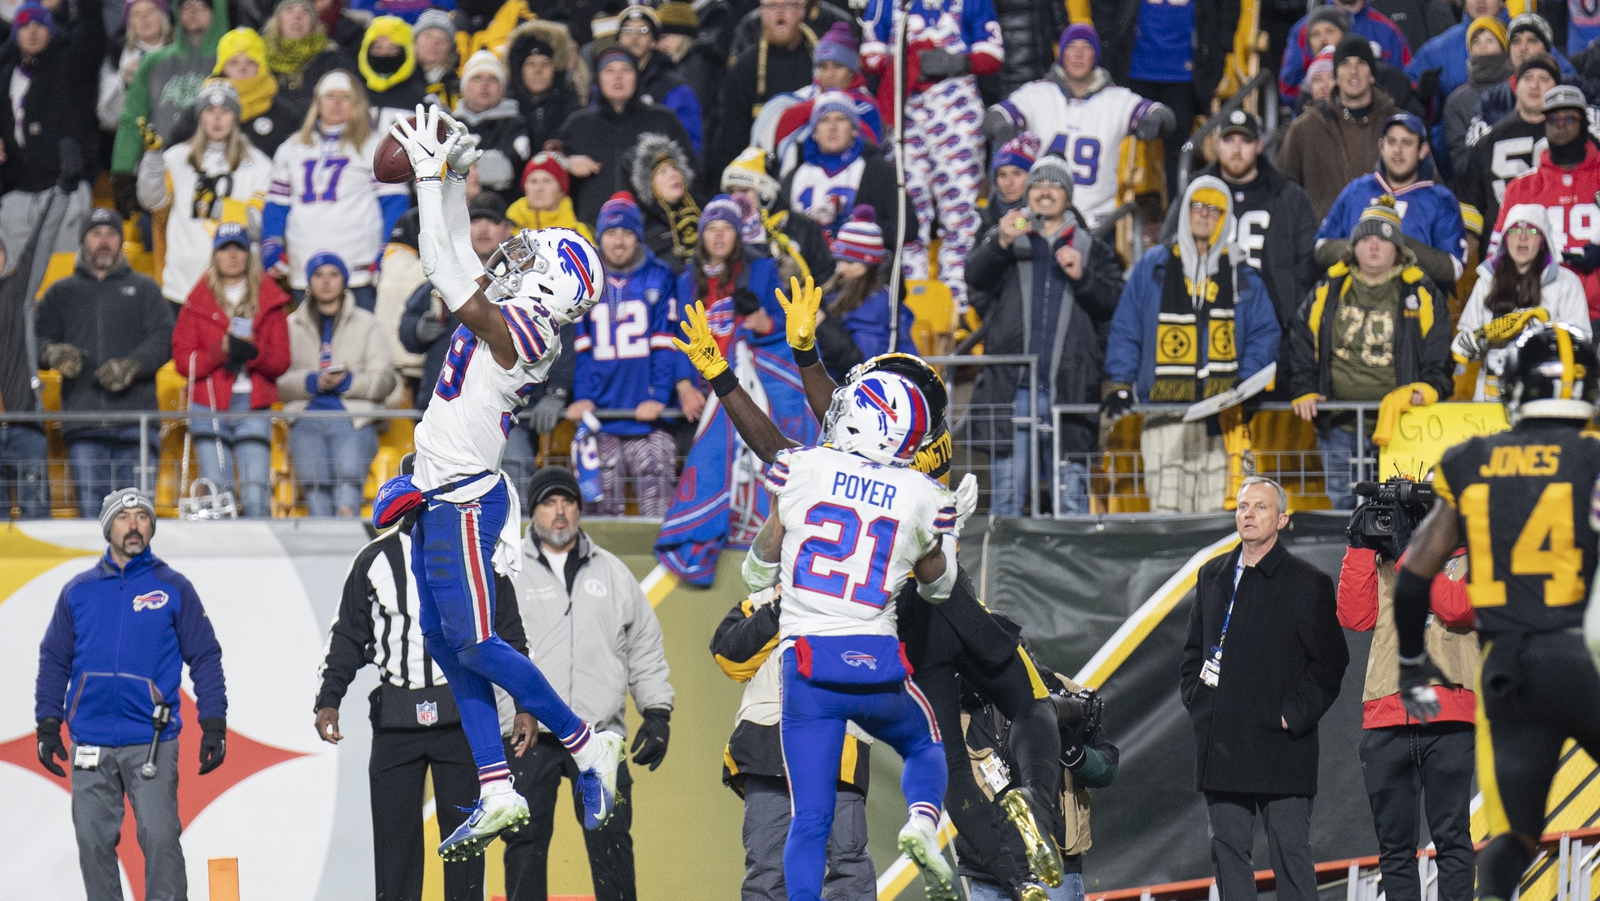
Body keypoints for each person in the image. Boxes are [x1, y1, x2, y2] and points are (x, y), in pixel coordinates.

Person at [675, 305, 1071, 898]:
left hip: (876, 630)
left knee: (937, 780)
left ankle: (1017, 878)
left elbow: (814, 437)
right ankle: (1031, 811)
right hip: (944, 610)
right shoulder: (917, 469)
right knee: (1021, 708)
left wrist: (746, 371)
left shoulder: (825, 463)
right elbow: (856, 438)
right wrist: (808, 357)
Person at [382, 104, 622, 860]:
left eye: (533, 258)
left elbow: (443, 269)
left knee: (478, 639)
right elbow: (454, 249)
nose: (516, 256)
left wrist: (428, 178)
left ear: (551, 287)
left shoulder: (528, 329)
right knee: (453, 649)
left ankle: (586, 742)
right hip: (435, 488)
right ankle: (496, 783)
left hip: (461, 497)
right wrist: (451, 174)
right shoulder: (518, 310)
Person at [1394, 321, 1600, 901]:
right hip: (1582, 661)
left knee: (1512, 838)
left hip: (1509, 671)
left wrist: (1412, 662)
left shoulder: (1471, 460)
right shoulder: (1591, 459)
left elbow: (1413, 581)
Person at [741, 364, 960, 901]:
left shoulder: (802, 468)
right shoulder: (922, 493)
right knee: (925, 745)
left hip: (807, 669)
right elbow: (938, 589)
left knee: (810, 819)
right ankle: (922, 823)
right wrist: (937, 543)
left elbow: (755, 572)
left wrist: (780, 520)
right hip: (875, 658)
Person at [315, 466, 527, 901]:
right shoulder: (374, 559)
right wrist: (328, 698)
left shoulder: (477, 551)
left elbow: (508, 631)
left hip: (463, 715)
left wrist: (525, 704)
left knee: (468, 847)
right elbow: (348, 635)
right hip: (396, 722)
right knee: (395, 853)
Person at [34, 487, 228, 901]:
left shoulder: (173, 587)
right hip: (90, 740)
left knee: (160, 840)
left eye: (142, 516)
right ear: (108, 527)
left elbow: (206, 656)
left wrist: (213, 722)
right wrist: (48, 724)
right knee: (92, 843)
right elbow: (54, 658)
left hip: (152, 742)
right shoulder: (78, 591)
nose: (134, 525)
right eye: (124, 518)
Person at [498, 467, 675, 901]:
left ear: (579, 509)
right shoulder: (507, 571)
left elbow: (644, 646)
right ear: (532, 511)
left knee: (612, 845)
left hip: (598, 734)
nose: (559, 513)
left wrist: (656, 712)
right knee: (524, 848)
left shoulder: (613, 573)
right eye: (548, 503)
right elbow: (488, 648)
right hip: (529, 733)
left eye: (568, 502)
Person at [1179, 477, 1348, 901]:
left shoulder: (1307, 582)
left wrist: (1291, 715)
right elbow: (1192, 653)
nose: (1248, 514)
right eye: (1242, 506)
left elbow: (1330, 662)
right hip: (1223, 743)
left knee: (1290, 857)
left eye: (1260, 507)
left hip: (1281, 747)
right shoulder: (1212, 575)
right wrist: (1200, 702)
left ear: (1283, 519)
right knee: (1228, 854)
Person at [1103, 178, 1280, 514]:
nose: (1204, 215)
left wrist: (1241, 382)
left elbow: (1265, 333)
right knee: (1167, 515)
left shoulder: (1243, 273)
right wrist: (1121, 382)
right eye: (1198, 206)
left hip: (1220, 418)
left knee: (1216, 519)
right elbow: (1126, 328)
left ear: (1227, 218)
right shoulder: (1152, 266)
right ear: (1184, 211)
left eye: (1215, 209)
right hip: (1163, 413)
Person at [967, 156, 1123, 516]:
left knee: (1071, 504)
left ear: (1067, 196)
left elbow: (1113, 303)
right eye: (1038, 185)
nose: (1045, 192)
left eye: (1054, 185)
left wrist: (1083, 277)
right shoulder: (1006, 237)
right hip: (1013, 388)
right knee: (1006, 501)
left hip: (1069, 388)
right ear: (1028, 194)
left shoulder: (1092, 246)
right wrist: (999, 243)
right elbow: (975, 279)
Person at [1337, 511, 1477, 901]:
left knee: (1452, 840)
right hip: (1385, 714)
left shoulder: (1481, 556)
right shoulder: (1387, 557)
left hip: (1447, 712)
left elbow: (1460, 608)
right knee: (1394, 851)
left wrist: (1409, 555)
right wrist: (1359, 547)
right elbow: (1354, 616)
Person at [712, 585, 877, 901]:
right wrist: (779, 608)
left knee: (847, 866)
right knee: (766, 873)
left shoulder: (867, 589)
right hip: (766, 750)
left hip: (837, 746)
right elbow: (729, 659)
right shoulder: (761, 600)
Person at [1289, 199, 1454, 508]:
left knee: (1397, 510)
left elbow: (1440, 351)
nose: (1374, 246)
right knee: (1344, 509)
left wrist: (1429, 386)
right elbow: (1300, 338)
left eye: (1384, 238)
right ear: (1353, 246)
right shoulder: (1329, 287)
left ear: (1399, 248)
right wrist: (1304, 387)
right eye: (1366, 238)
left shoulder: (1421, 292)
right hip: (1338, 423)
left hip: (1400, 427)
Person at [860, 0, 999, 308]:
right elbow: (869, 54)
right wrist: (905, 62)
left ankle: (960, 305)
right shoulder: (884, 3)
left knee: (960, 215)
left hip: (955, 104)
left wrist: (956, 62)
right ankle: (911, 306)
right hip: (905, 105)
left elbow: (993, 54)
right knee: (909, 217)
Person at [36, 209, 173, 517]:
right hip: (84, 424)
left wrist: (133, 365)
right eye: (96, 233)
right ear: (83, 240)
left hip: (136, 424)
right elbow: (35, 340)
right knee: (91, 520)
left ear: (121, 241)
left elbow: (165, 338)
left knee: (136, 520)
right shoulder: (60, 292)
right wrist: (52, 353)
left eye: (111, 234)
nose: (104, 241)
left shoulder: (145, 287)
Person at [566, 192, 687, 517]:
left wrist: (659, 397)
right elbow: (581, 346)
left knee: (657, 510)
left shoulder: (659, 276)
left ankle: (658, 566)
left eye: (627, 233)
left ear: (638, 237)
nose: (618, 241)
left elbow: (666, 343)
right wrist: (584, 397)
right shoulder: (586, 280)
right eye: (610, 233)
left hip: (648, 419)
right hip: (600, 420)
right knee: (599, 516)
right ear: (599, 236)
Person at [984, 25, 1176, 230]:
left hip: (1098, 222)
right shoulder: (1037, 93)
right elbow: (995, 115)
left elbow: (1164, 114)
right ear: (1061, 54)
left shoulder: (1118, 99)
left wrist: (1154, 122)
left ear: (1096, 56)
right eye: (1071, 47)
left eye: (1086, 47)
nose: (1078, 54)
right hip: (1041, 219)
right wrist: (1000, 126)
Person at [961, 657, 1119, 901]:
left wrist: (1072, 751)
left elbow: (1107, 768)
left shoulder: (1064, 692)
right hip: (989, 874)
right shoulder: (958, 699)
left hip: (1056, 870)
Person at [1158, 111, 1318, 341]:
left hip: (1272, 324)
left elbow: (1307, 262)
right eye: (1228, 140)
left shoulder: (1289, 195)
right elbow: (1168, 250)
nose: (1236, 149)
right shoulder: (1196, 193)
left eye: (1245, 141)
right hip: (1202, 318)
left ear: (1259, 145)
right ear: (1216, 145)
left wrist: (1291, 315)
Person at [170, 222, 291, 517]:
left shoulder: (270, 299)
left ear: (248, 254)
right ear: (215, 255)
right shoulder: (195, 302)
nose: (233, 255)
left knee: (255, 492)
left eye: (239, 247)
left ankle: (261, 559)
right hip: (207, 405)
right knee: (216, 493)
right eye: (225, 248)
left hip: (254, 404)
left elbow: (281, 362)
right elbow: (183, 362)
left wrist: (252, 354)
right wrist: (221, 350)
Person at [263, 70, 410, 311]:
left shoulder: (375, 146)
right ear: (317, 103)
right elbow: (277, 204)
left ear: (357, 103)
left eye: (345, 96)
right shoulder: (292, 148)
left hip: (358, 265)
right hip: (305, 263)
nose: (337, 103)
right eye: (330, 96)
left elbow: (393, 203)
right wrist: (272, 245)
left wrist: (387, 249)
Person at [278, 251, 397, 516]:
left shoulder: (368, 324)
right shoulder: (290, 325)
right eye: (318, 275)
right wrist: (312, 381)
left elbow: (385, 380)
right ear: (309, 282)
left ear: (344, 280)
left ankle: (348, 551)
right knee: (315, 491)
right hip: (306, 415)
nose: (326, 281)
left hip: (354, 417)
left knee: (348, 487)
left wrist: (348, 382)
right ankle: (323, 554)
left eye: (333, 274)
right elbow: (277, 381)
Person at [137, 79, 274, 307]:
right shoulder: (176, 158)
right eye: (209, 110)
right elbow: (151, 200)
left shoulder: (259, 164)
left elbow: (260, 225)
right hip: (182, 285)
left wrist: (218, 208)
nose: (217, 118)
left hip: (237, 288)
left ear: (236, 117)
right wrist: (153, 159)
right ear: (200, 116)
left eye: (225, 110)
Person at [0, 0, 106, 261]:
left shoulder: (71, 65)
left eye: (39, 24)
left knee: (61, 276)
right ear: (15, 33)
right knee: (15, 282)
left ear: (51, 30)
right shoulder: (5, 75)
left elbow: (92, 32)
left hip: (64, 190)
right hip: (17, 194)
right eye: (25, 25)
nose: (33, 31)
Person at [1315, 114, 1467, 293]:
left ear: (1423, 150)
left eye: (1407, 143)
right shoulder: (1356, 190)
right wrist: (1361, 248)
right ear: (1381, 146)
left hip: (1416, 310)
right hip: (1354, 306)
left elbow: (1453, 267)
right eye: (1392, 142)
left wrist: (1394, 242)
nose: (1398, 150)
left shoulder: (1441, 199)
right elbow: (1321, 246)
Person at [1453, 205, 1591, 401]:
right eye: (1515, 230)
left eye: (1532, 231)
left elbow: (1582, 342)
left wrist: (1542, 337)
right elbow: (1467, 338)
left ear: (1543, 240)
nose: (1522, 237)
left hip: (1546, 399)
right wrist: (1470, 343)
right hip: (1492, 399)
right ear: (1506, 238)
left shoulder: (1565, 282)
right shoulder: (1486, 281)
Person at [1491, 86, 1600, 329]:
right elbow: (1496, 258)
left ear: (1585, 123)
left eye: (1570, 118)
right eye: (1553, 119)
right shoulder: (1521, 188)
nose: (1560, 125)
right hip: (1538, 315)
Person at [558, 45, 698, 227]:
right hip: (590, 232)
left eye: (626, 70)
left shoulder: (663, 120)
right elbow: (545, 168)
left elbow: (691, 175)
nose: (618, 77)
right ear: (598, 79)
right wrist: (565, 164)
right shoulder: (577, 124)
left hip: (653, 234)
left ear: (637, 77)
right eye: (609, 71)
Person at [1278, 33, 1404, 219]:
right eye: (1345, 64)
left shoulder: (1400, 124)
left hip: (1388, 239)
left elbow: (1427, 186)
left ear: (1372, 75)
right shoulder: (1305, 128)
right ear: (1335, 75)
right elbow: (1281, 191)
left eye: (1361, 63)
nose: (1353, 71)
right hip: (1325, 243)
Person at [110, 0, 229, 190]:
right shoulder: (153, 61)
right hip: (162, 171)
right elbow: (133, 118)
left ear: (216, 12)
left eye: (201, 6)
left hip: (219, 172)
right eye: (187, 6)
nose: (193, 12)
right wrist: (122, 171)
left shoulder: (231, 62)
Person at [777, 94, 911, 249]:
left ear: (854, 130)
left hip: (860, 267)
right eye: (824, 120)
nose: (832, 127)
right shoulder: (795, 176)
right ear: (814, 132)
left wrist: (856, 231)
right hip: (807, 268)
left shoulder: (879, 170)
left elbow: (907, 228)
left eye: (841, 119)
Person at [1457, 54, 1561, 248]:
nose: (1534, 86)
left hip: (1559, 247)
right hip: (1501, 251)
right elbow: (1472, 207)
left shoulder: (1576, 138)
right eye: (1527, 78)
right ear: (1515, 85)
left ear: (1557, 87)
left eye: (1544, 79)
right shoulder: (1487, 142)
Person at [707, 0, 816, 179]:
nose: (780, 13)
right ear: (761, 13)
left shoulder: (824, 62)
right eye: (772, 6)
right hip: (760, 175)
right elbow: (731, 138)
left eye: (788, 5)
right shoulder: (745, 68)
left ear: (801, 10)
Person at [760, 22, 883, 168]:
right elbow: (777, 135)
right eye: (823, 67)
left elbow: (867, 145)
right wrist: (820, 103)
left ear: (851, 70)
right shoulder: (804, 96)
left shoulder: (865, 105)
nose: (830, 74)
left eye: (838, 66)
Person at [814, 208, 915, 380]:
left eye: (850, 261)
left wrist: (822, 324)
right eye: (840, 260)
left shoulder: (879, 302)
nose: (842, 268)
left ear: (869, 263)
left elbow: (863, 364)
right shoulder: (835, 291)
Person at [723, 145, 834, 286]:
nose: (736, 199)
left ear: (765, 193)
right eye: (731, 192)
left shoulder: (803, 227)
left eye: (744, 191)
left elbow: (826, 277)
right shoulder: (724, 229)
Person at [1280, 0, 1410, 105]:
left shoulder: (1388, 30)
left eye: (1330, 31)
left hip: (1377, 122)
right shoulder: (1304, 30)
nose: (1323, 37)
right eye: (1316, 35)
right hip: (1314, 123)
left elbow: (1406, 84)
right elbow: (1287, 89)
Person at [615, 4, 703, 154]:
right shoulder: (606, 84)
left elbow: (689, 144)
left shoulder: (674, 87)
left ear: (655, 41)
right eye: (627, 30)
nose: (634, 36)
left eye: (643, 30)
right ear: (618, 40)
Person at [455, 49, 531, 195]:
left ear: (502, 89)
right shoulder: (448, 124)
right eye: (476, 78)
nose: (484, 85)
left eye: (493, 79)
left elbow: (504, 170)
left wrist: (455, 166)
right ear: (464, 88)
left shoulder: (515, 124)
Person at [1443, 16, 1511, 178]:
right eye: (1476, 42)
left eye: (1490, 40)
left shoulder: (1518, 90)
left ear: (1504, 46)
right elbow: (1458, 156)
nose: (1483, 47)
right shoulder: (1457, 101)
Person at [504, 19, 582, 157]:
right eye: (530, 64)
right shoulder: (505, 114)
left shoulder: (574, 112)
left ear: (556, 69)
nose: (538, 70)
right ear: (519, 71)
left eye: (545, 63)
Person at [260, 0, 349, 118]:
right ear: (277, 20)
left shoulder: (331, 57)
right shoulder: (259, 56)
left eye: (305, 11)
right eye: (289, 9)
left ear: (313, 22)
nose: (297, 17)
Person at [98, 0, 172, 140]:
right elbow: (107, 117)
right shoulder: (117, 55)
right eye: (136, 14)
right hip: (134, 141)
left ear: (163, 16)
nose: (144, 18)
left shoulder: (181, 51)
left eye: (150, 11)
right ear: (129, 23)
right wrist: (124, 84)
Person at [1406, 0, 1502, 105]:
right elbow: (1406, 94)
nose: (1481, 1)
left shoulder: (1519, 42)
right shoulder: (1437, 50)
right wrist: (1424, 99)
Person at [629, 132, 701, 272]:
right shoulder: (644, 228)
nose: (673, 174)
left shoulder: (704, 213)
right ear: (649, 185)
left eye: (674, 168)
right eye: (662, 172)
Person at [356, 16, 429, 134]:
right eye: (378, 48)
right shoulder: (352, 94)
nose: (385, 54)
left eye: (393, 49)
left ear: (406, 53)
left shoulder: (422, 97)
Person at [507, 149, 591, 238]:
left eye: (547, 181)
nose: (539, 188)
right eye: (533, 181)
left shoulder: (578, 235)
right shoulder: (506, 230)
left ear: (561, 191)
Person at [414, 8, 459, 109]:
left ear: (450, 48)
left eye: (442, 39)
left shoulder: (457, 88)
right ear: (415, 42)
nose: (435, 43)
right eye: (428, 36)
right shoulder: (401, 81)